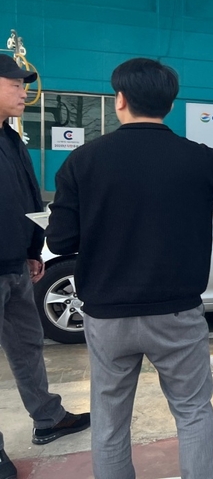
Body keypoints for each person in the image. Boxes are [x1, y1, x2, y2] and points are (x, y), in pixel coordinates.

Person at [45, 58, 213, 479]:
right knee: (192, 412)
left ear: (120, 100)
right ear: (170, 105)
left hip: (107, 315)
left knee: (110, 419)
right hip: (177, 313)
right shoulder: (198, 159)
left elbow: (60, 242)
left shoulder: (82, 162)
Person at [0, 54, 90, 479]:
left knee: (28, 346)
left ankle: (48, 418)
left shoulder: (11, 137)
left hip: (16, 265)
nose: (24, 92)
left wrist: (34, 248)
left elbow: (25, 196)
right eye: (15, 84)